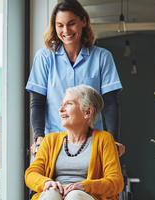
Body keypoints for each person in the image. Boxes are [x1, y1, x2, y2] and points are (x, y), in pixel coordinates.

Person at [26, 0, 125, 158]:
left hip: (91, 146)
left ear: (83, 21)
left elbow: (111, 103)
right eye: (60, 25)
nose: (66, 30)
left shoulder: (102, 57)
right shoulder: (44, 57)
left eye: (71, 23)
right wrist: (39, 137)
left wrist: (114, 140)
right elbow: (38, 102)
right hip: (53, 146)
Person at [25, 85, 124, 200]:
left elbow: (116, 182)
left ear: (87, 112)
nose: (61, 109)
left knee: (74, 196)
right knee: (51, 193)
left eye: (69, 104)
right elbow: (31, 174)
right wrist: (46, 182)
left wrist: (84, 186)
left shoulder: (104, 139)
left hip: (87, 196)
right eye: (62, 104)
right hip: (55, 194)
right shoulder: (50, 140)